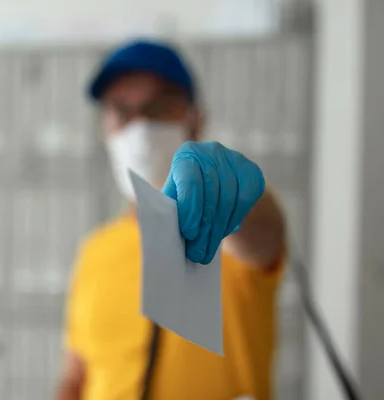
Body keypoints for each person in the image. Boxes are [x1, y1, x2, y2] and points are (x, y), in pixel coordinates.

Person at [57, 39, 286, 400]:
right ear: (106, 126)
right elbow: (75, 376)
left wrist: (232, 189)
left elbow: (266, 234)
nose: (140, 127)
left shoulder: (224, 231)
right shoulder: (95, 252)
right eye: (122, 111)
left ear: (196, 120)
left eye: (159, 107)